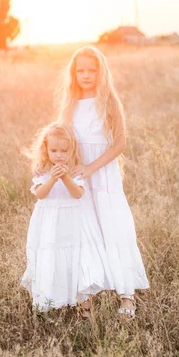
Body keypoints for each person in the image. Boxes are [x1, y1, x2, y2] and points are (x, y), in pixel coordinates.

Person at [58, 46, 149, 318]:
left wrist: (91, 167)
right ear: (74, 73)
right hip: (78, 176)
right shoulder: (70, 102)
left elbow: (120, 143)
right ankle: (85, 299)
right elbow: (61, 138)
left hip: (103, 174)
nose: (86, 75)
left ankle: (126, 297)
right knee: (83, 232)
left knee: (113, 229)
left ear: (101, 72)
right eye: (80, 70)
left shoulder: (108, 101)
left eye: (91, 70)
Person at [20, 122, 112, 318]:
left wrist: (65, 178)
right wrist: (52, 178)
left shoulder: (75, 171)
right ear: (46, 150)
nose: (59, 155)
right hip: (49, 224)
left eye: (64, 150)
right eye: (54, 150)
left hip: (71, 223)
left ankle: (83, 306)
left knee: (75, 259)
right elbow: (40, 194)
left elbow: (77, 194)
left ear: (72, 151)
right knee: (52, 257)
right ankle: (52, 300)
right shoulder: (42, 171)